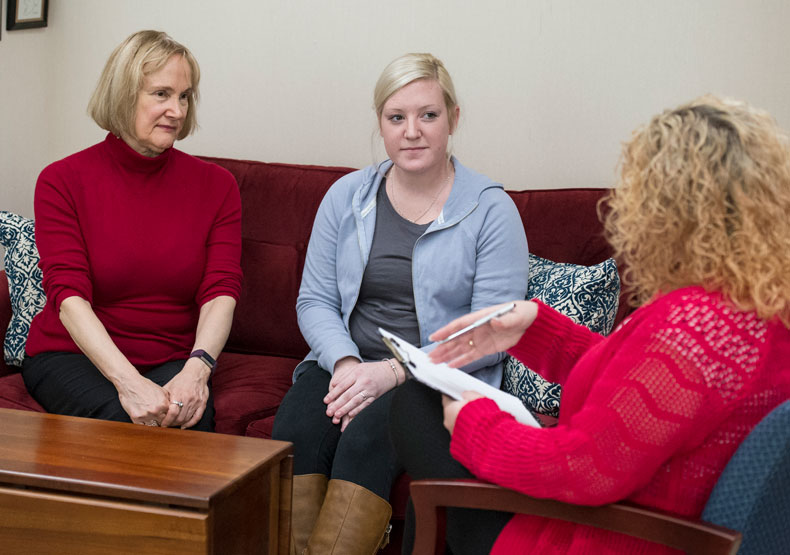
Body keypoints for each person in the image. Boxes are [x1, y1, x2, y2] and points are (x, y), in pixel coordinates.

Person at [390, 95, 790, 554]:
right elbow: (636, 387)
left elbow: (583, 468)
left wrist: (476, 425)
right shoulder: (755, 306)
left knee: (418, 400)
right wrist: (535, 328)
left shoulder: (692, 327)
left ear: (666, 213)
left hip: (595, 538)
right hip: (636, 518)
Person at [271, 53, 529, 554]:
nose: (412, 131)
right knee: (296, 428)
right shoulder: (345, 197)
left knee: (368, 439)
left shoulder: (492, 209)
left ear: (453, 119)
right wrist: (347, 363)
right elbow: (315, 300)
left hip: (431, 380)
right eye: (397, 118)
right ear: (381, 125)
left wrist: (390, 373)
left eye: (428, 115)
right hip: (343, 362)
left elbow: (493, 334)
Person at [22, 30, 242, 432]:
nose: (176, 110)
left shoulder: (218, 186)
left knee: (190, 422)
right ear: (124, 95)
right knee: (129, 425)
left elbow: (220, 291)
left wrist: (198, 370)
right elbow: (68, 296)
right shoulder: (62, 181)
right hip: (73, 356)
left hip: (174, 358)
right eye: (161, 94)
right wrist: (128, 382)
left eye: (184, 96)